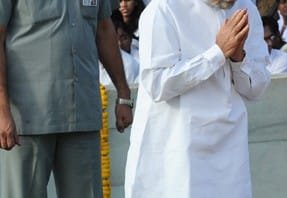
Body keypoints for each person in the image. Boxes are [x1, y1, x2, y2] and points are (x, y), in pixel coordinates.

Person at [124, 0, 270, 197]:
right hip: (176, 150)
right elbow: (157, 84)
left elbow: (257, 88)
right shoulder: (164, 9)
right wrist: (217, 53)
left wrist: (238, 57)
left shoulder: (246, 9)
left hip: (229, 149)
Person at [0, 0, 134, 197]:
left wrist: (123, 94)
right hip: (27, 119)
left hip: (81, 112)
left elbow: (104, 29)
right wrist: (2, 109)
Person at [100, 11, 141, 87]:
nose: (119, 43)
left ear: (131, 39)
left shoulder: (137, 61)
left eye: (124, 38)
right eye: (115, 39)